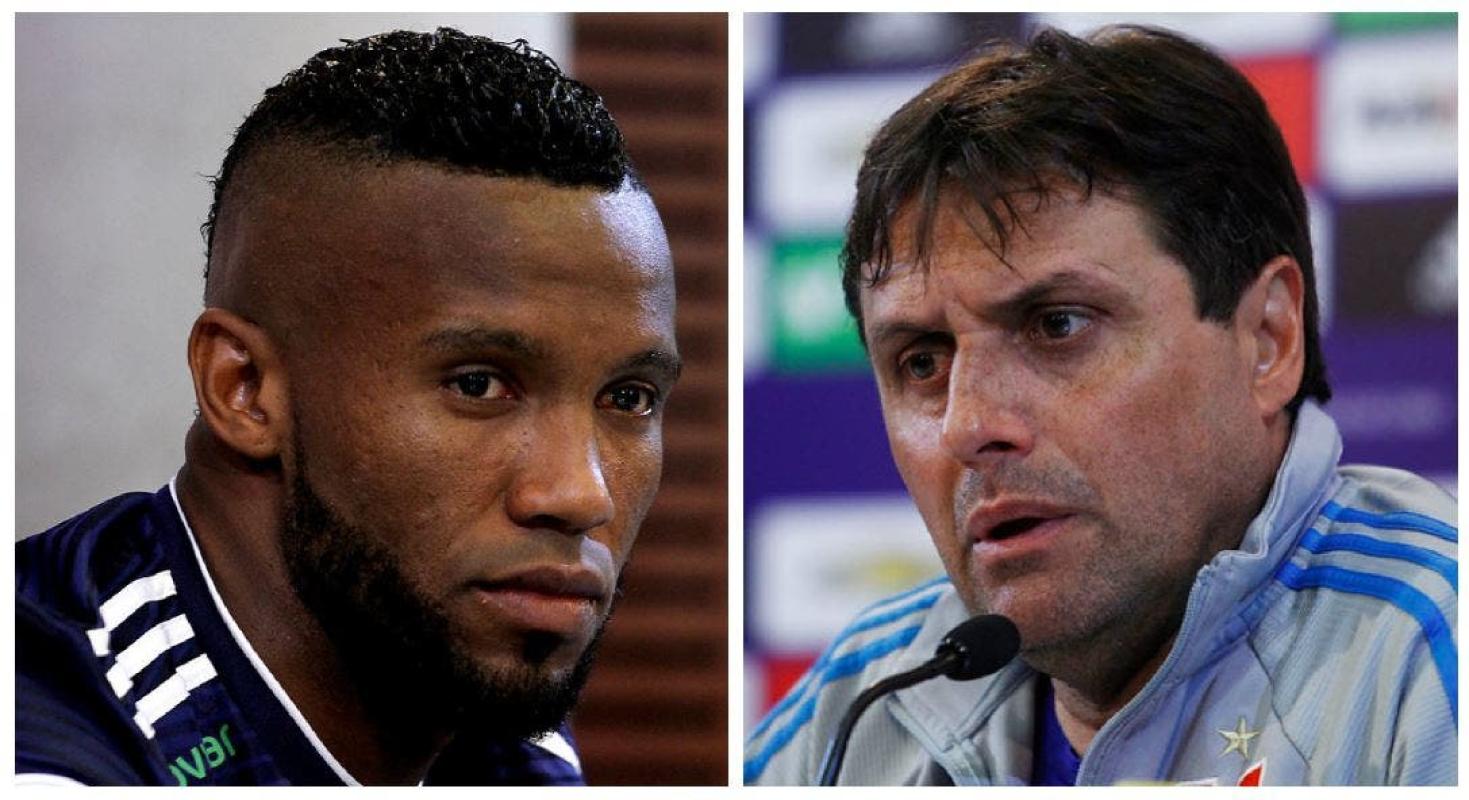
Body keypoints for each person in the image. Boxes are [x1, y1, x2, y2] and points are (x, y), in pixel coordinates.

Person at [745, 24, 1456, 786]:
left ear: (1266, 339)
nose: (969, 425)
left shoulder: (1433, 658)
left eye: (1057, 325)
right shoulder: (855, 710)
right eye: (921, 362)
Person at [17, 27, 681, 786]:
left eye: (627, 398)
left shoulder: (461, 682)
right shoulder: (47, 754)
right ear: (244, 389)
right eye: (477, 384)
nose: (581, 495)